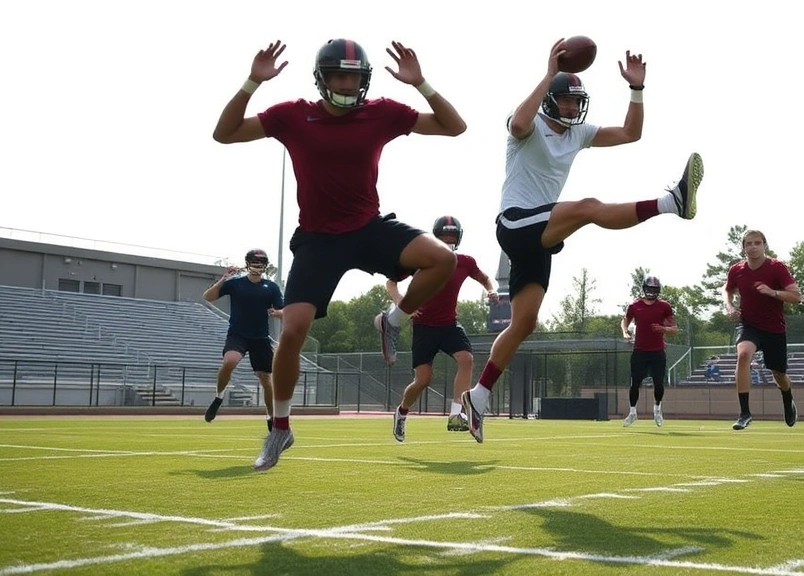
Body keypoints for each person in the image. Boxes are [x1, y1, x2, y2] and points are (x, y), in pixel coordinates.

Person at [212, 38, 467, 471]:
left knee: (443, 258)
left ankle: (393, 319)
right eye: (339, 75)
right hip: (317, 240)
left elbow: (454, 126)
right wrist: (253, 81)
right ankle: (280, 428)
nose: (348, 83)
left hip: (368, 228)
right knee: (292, 333)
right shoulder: (294, 114)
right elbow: (225, 133)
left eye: (354, 76)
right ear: (323, 79)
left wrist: (420, 82)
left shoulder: (382, 112)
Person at [459, 39, 704, 443]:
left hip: (540, 235)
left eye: (578, 102)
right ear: (550, 100)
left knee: (524, 323)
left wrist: (636, 89)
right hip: (515, 223)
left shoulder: (579, 133)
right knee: (589, 206)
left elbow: (630, 133)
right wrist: (546, 73)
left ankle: (479, 395)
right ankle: (670, 202)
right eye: (567, 102)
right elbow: (518, 124)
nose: (574, 109)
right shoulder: (528, 123)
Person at [387, 216, 498, 442]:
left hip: (449, 325)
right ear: (435, 237)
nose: (448, 241)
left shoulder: (465, 262)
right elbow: (391, 282)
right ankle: (401, 413)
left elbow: (485, 278)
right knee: (423, 379)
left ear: (458, 240)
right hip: (423, 328)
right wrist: (400, 301)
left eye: (452, 238)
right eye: (443, 237)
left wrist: (491, 290)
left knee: (466, 359)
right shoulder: (422, 259)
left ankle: (457, 414)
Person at [722, 229, 802, 430]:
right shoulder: (737, 270)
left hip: (774, 329)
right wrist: (730, 307)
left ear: (764, 245)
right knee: (743, 356)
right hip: (749, 325)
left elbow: (796, 296)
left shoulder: (777, 267)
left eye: (757, 243)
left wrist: (772, 292)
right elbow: (727, 290)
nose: (753, 247)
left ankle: (787, 398)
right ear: (743, 247)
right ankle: (745, 413)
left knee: (779, 375)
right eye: (748, 243)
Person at [201, 249, 283, 431]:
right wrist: (224, 278)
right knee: (230, 361)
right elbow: (207, 297)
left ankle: (271, 417)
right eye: (255, 261)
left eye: (261, 262)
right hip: (238, 334)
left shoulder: (271, 287)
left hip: (260, 337)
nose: (258, 265)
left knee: (265, 378)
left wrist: (277, 313)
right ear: (247, 262)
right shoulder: (236, 284)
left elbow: (283, 310)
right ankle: (219, 397)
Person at [620, 275, 678, 427]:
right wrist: (625, 331)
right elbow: (625, 319)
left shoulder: (664, 306)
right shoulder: (635, 305)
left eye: (654, 289)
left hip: (657, 351)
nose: (651, 292)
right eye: (649, 289)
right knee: (635, 383)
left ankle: (657, 409)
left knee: (658, 383)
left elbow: (674, 329)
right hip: (640, 350)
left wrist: (663, 328)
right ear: (644, 289)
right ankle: (632, 412)